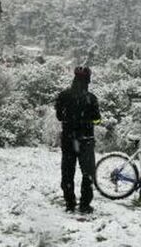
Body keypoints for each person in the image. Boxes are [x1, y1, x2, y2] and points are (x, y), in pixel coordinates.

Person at [55, 66, 101, 214]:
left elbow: (59, 116)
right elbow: (97, 119)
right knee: (87, 173)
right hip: (85, 140)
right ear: (88, 80)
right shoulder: (91, 98)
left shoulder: (63, 96)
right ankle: (85, 205)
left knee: (68, 171)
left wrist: (70, 120)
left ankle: (70, 203)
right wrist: (88, 121)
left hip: (69, 139)